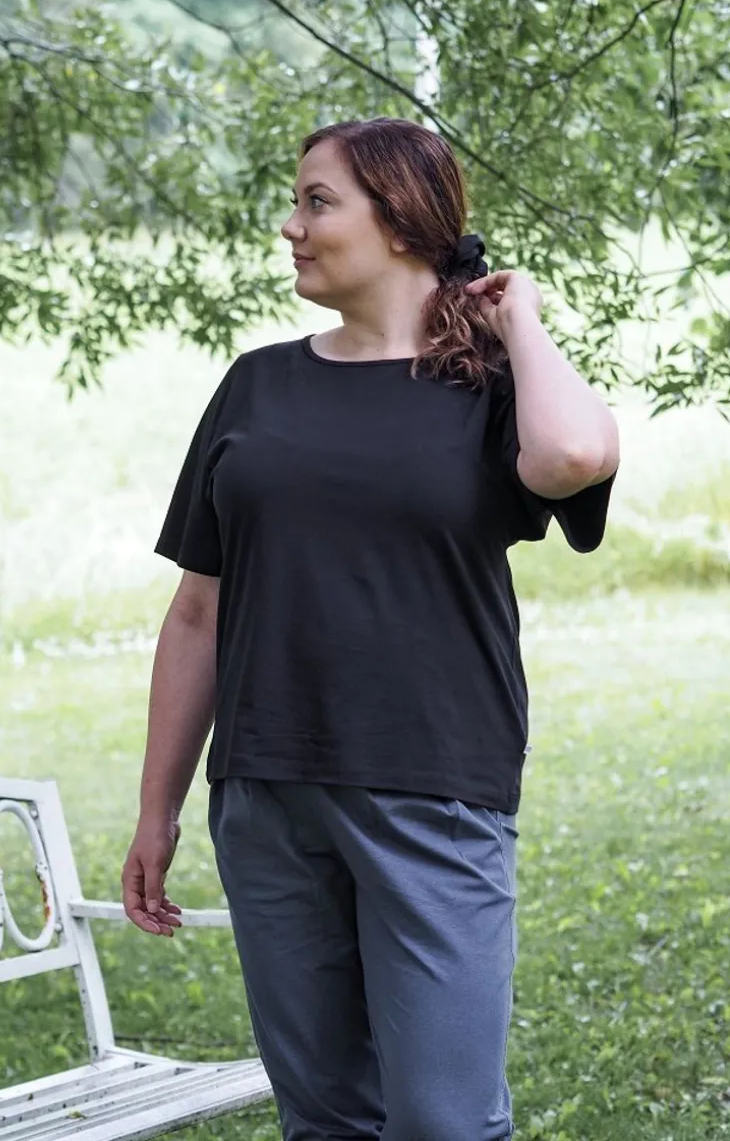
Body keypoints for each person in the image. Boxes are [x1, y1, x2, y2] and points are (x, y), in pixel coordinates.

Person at [121, 116, 620, 1141]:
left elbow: (572, 457)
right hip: (265, 792)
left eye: (318, 202)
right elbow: (199, 609)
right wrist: (157, 808)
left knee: (444, 1120)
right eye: (295, 203)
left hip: (434, 788)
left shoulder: (489, 387)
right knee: (324, 1118)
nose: (291, 226)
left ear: (401, 222)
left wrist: (519, 318)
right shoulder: (256, 385)